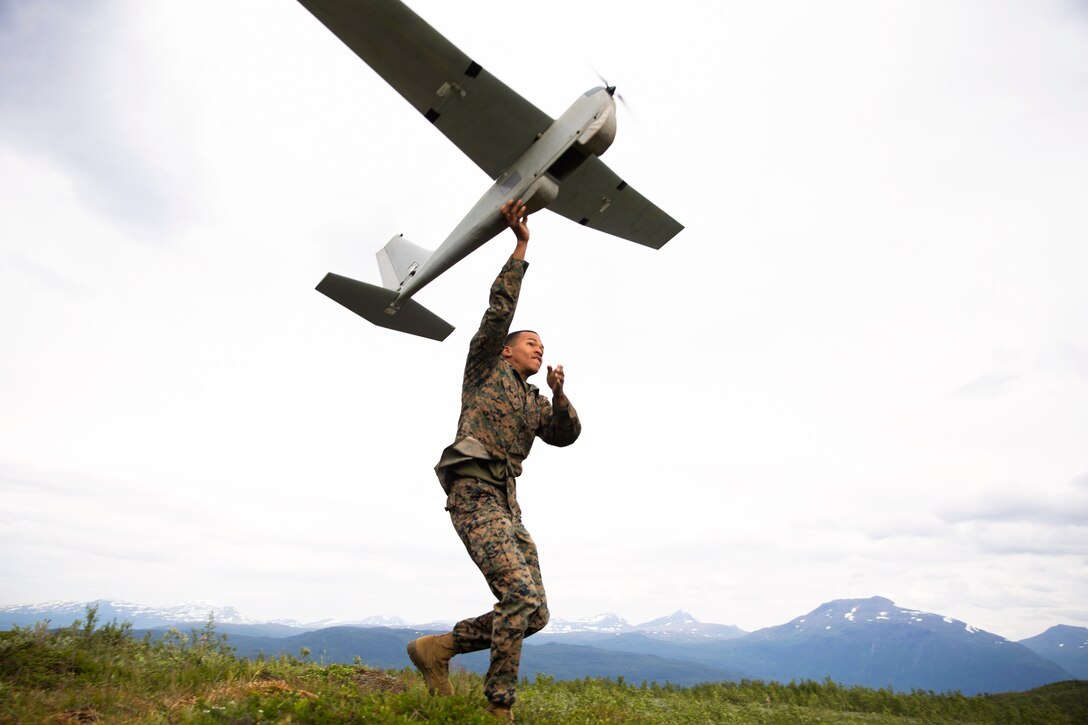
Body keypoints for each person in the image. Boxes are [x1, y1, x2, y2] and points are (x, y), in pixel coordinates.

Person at [406, 198, 581, 721]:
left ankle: (437, 649)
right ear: (506, 350)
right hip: (473, 495)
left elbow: (565, 436)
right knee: (520, 595)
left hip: (507, 506)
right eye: (531, 343)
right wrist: (521, 246)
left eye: (542, 346)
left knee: (536, 612)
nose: (538, 349)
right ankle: (499, 707)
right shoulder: (485, 368)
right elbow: (498, 310)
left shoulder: (534, 402)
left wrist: (561, 393)